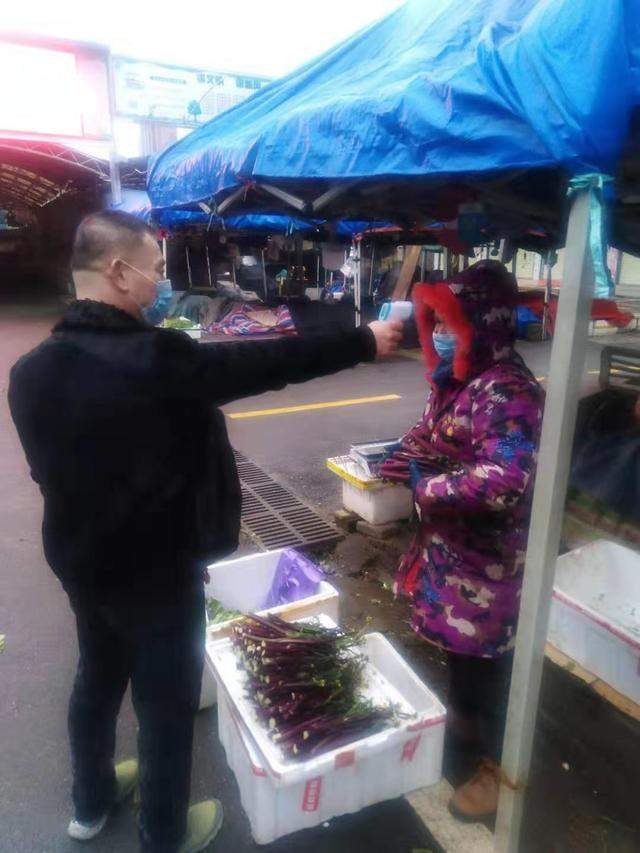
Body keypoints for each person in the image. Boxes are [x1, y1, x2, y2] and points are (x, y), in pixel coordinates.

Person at [8, 210, 402, 853]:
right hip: (158, 570)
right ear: (118, 271)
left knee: (98, 678)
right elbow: (267, 362)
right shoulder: (154, 359)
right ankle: (163, 834)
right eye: (156, 270)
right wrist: (362, 342)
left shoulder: (30, 374)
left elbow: (49, 472)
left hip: (82, 564)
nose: (159, 282)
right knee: (165, 705)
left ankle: (91, 799)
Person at [380, 259, 544, 820]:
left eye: (452, 324)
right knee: (462, 658)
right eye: (439, 325)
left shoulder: (511, 392)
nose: (442, 336)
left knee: (491, 665)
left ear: (484, 323)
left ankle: (498, 771)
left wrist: (429, 488)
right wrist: (398, 457)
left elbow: (506, 480)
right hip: (450, 556)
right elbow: (430, 433)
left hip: (491, 564)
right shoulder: (460, 379)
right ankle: (465, 732)